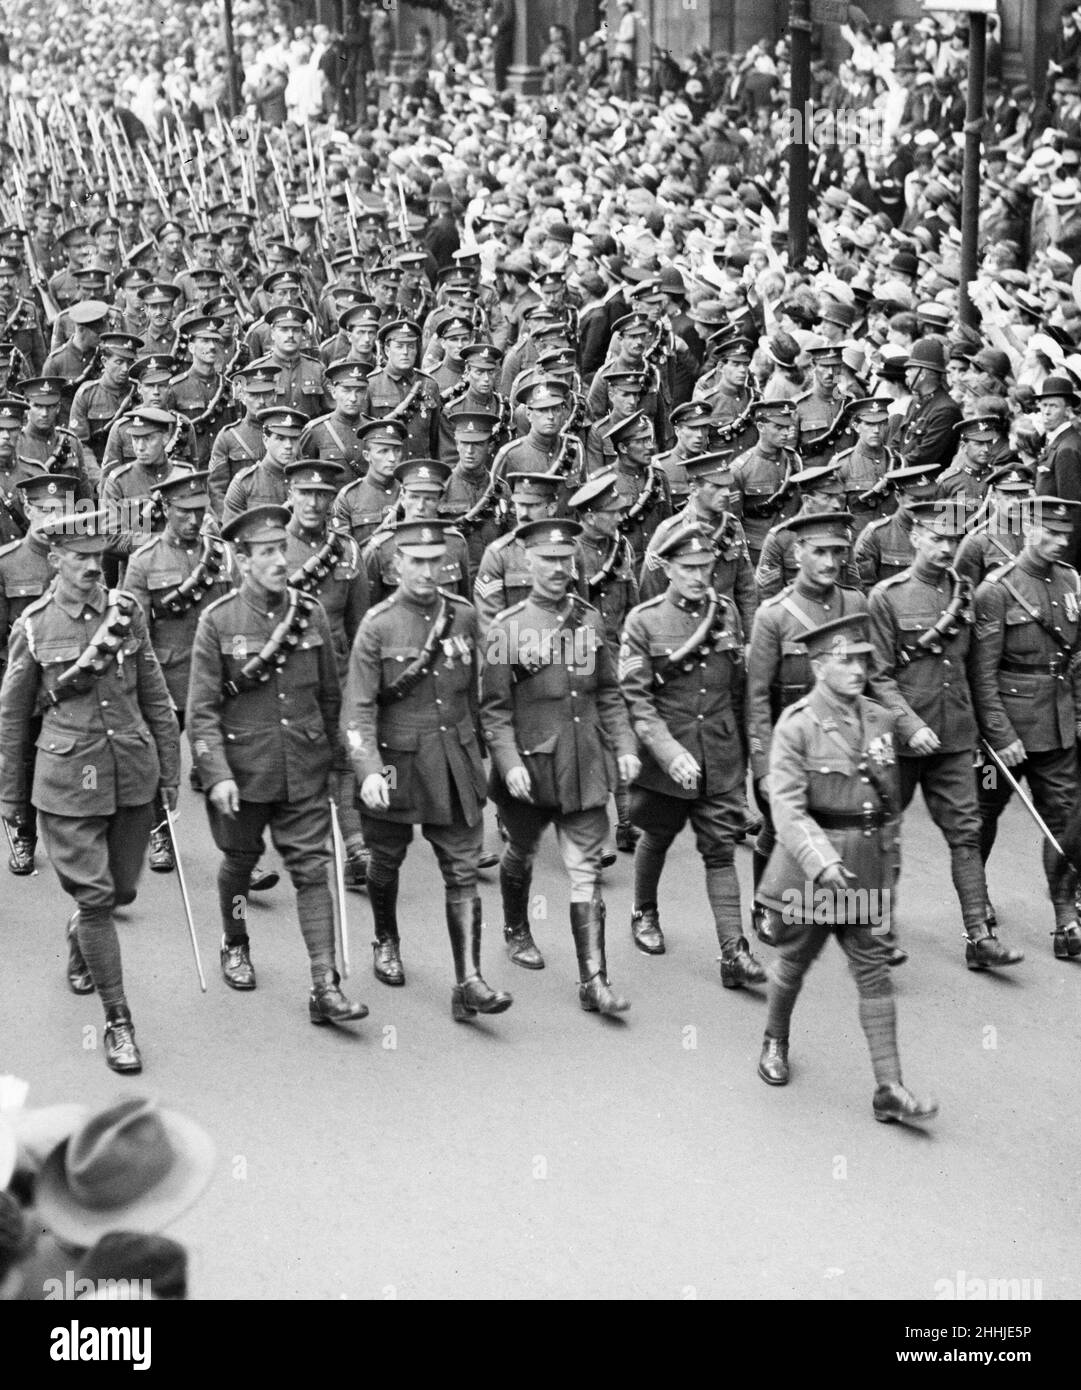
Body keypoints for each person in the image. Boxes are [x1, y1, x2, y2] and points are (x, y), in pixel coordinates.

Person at [0, 509, 180, 1075]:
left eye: (97, 558)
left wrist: (170, 774)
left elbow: (155, 697)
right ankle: (118, 1019)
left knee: (120, 892)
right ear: (54, 561)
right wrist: (10, 799)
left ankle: (82, 934)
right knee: (98, 899)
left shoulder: (126, 614)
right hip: (65, 782)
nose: (91, 569)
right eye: (78, 559)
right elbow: (11, 721)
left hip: (129, 774)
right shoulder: (32, 626)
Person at [755, 612, 939, 1126]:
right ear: (817, 666)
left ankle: (889, 1087)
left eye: (862, 660)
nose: (858, 669)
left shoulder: (881, 719)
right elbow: (787, 810)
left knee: (874, 973)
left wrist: (890, 865)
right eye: (846, 661)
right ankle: (775, 1039)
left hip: (869, 866)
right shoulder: (796, 726)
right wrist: (820, 859)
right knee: (795, 962)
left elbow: (888, 803)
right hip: (816, 873)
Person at [186, 505, 367, 1026]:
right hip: (245, 775)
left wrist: (340, 764)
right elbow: (201, 714)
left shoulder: (309, 614)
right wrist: (216, 774)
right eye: (264, 553)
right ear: (241, 561)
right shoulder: (217, 622)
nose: (277, 561)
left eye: (279, 550)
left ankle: (325, 983)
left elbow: (334, 698)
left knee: (313, 873)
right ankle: (236, 939)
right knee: (240, 865)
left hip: (305, 769)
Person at [342, 518, 511, 1019]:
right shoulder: (377, 626)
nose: (425, 571)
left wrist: (497, 752)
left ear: (446, 564)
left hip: (453, 759)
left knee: (462, 870)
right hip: (394, 764)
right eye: (414, 561)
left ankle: (469, 980)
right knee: (385, 860)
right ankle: (386, 938)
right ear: (395, 567)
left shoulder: (464, 617)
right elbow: (358, 709)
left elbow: (491, 692)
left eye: (434, 561)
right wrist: (369, 769)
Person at [481, 518, 640, 1006]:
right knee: (522, 851)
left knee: (585, 869)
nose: (556, 568)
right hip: (529, 769)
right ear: (526, 563)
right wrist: (507, 763)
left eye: (564, 559)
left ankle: (594, 980)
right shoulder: (506, 629)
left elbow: (608, 692)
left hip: (583, 763)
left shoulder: (590, 621)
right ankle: (516, 929)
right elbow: (493, 710)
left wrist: (626, 746)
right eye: (546, 560)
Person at [868, 499, 1024, 970]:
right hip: (902, 740)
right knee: (885, 834)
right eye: (936, 539)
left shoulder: (967, 594)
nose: (945, 549)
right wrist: (909, 725)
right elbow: (877, 676)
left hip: (956, 736)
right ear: (914, 537)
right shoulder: (886, 597)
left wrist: (992, 733)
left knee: (967, 832)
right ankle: (877, 935)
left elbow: (980, 671)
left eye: (953, 541)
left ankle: (980, 936)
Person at [619, 524, 767, 985]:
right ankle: (643, 910)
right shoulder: (643, 622)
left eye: (706, 567)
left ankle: (733, 952)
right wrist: (667, 753)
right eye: (688, 568)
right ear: (666, 568)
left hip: (720, 755)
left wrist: (749, 757)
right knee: (657, 836)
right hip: (667, 761)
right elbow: (637, 703)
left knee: (720, 851)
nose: (700, 576)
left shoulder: (725, 613)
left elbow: (740, 688)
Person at [972, 497, 1081, 958]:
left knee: (1067, 821)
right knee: (981, 817)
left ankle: (1066, 918)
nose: (1059, 542)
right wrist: (1000, 735)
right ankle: (976, 911)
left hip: (1057, 728)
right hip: (1005, 738)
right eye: (1049, 533)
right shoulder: (996, 590)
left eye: (1065, 535)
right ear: (1027, 529)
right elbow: (981, 672)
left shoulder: (1072, 581)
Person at [125, 469, 233, 873]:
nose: (193, 520)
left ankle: (237, 852)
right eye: (184, 512)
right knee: (159, 760)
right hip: (167, 679)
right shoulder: (144, 560)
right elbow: (137, 633)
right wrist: (151, 689)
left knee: (223, 761)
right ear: (166, 509)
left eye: (200, 511)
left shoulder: (222, 554)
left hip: (215, 680)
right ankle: (160, 835)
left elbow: (235, 615)